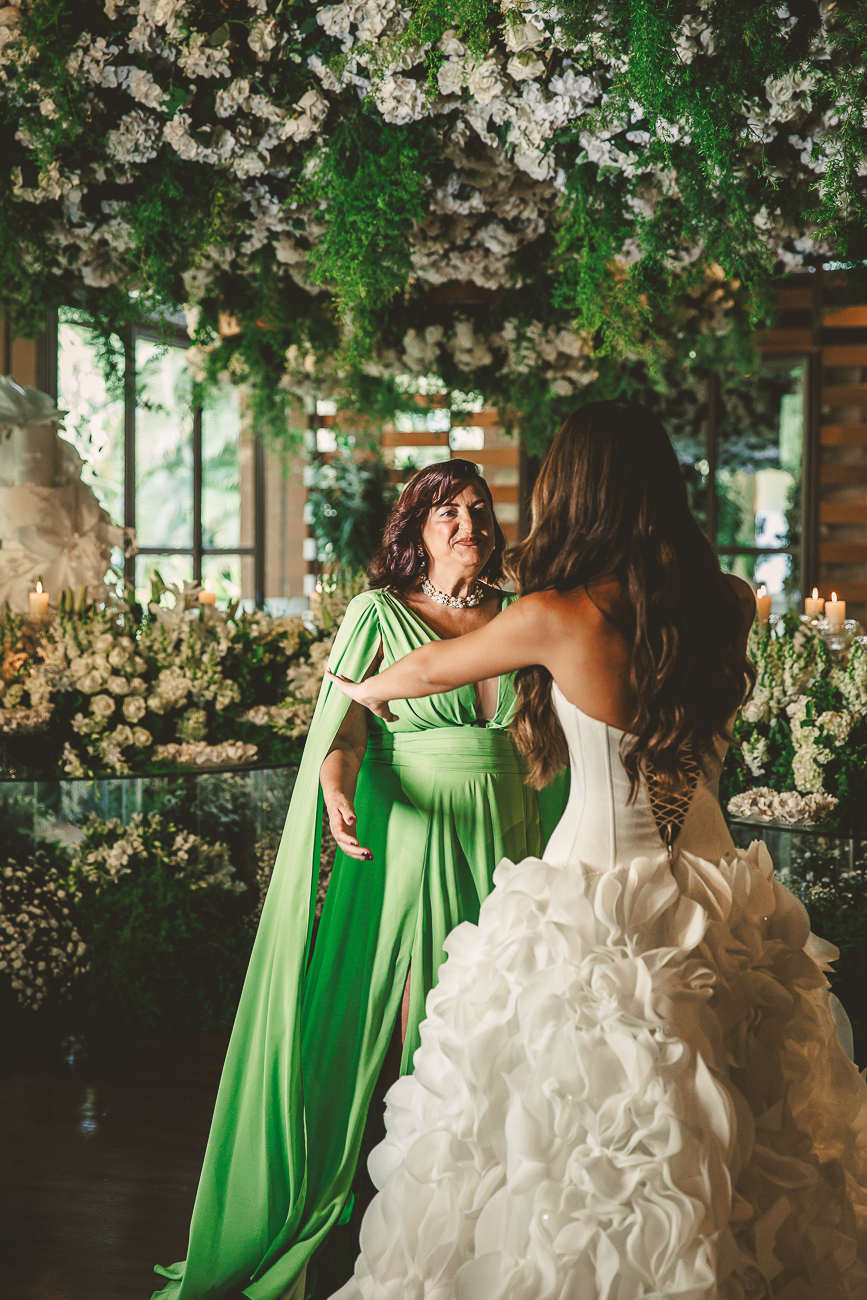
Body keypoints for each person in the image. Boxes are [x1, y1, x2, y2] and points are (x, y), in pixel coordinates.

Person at [326, 401, 867, 1298]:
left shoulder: (554, 617)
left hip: (591, 896)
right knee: (745, 1113)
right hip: (720, 894)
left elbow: (421, 672)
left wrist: (358, 688)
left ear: (573, 493)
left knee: (566, 1127)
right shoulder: (728, 601)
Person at [152, 459, 568, 1300]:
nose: (466, 522)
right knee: (424, 1025)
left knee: (514, 1027)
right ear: (415, 531)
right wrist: (337, 786)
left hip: (515, 838)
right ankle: (408, 1213)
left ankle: (498, 1211)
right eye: (444, 510)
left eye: (476, 507)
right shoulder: (378, 614)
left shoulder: (523, 616)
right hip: (416, 839)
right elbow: (341, 724)